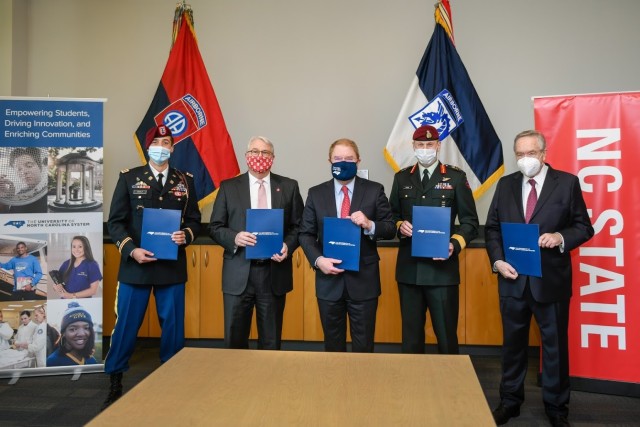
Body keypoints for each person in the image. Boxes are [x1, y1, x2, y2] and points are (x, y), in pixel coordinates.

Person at [485, 130, 594, 427]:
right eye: (519, 154)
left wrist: (561, 236)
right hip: (512, 279)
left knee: (555, 348)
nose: (525, 160)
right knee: (512, 346)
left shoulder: (567, 183)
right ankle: (509, 402)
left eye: (530, 153)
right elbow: (492, 228)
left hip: (551, 282)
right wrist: (497, 261)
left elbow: (584, 227)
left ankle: (557, 409)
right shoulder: (506, 185)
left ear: (544, 154)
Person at [102, 124, 201, 409]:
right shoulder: (130, 178)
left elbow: (193, 219)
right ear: (148, 146)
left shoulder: (185, 180)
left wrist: (187, 235)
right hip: (136, 266)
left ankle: (172, 377)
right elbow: (117, 222)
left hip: (171, 265)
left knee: (173, 327)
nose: (162, 146)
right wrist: (131, 251)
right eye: (157, 141)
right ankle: (115, 379)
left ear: (172, 147)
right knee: (126, 326)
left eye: (167, 142)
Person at [299, 138, 396, 352]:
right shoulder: (316, 193)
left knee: (363, 346)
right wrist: (318, 260)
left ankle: (362, 385)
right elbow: (305, 234)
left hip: (363, 282)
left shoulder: (374, 190)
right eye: (338, 159)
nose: (343, 162)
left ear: (358, 161)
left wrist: (370, 224)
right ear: (329, 161)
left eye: (349, 158)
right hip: (328, 281)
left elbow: (390, 228)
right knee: (333, 346)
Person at [388, 124, 479, 355]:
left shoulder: (456, 178)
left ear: (438, 146)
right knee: (410, 338)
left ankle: (451, 389)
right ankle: (413, 387)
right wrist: (400, 226)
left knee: (446, 336)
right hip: (410, 271)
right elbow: (392, 217)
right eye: (420, 145)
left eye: (430, 144)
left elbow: (470, 222)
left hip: (442, 270)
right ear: (414, 147)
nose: (425, 149)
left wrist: (455, 244)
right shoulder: (401, 178)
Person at [209, 136, 303, 350]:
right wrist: (234, 237)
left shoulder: (288, 187)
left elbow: (299, 227)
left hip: (273, 274)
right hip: (238, 273)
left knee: (271, 341)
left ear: (273, 158)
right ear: (246, 156)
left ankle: (268, 383)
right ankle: (236, 383)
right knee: (234, 339)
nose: (259, 156)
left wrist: (287, 246)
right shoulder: (229, 187)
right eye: (254, 151)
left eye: (265, 153)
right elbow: (215, 227)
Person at [47, 302, 97, 366]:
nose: (81, 334)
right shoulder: (52, 362)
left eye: (86, 328)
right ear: (63, 333)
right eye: (73, 329)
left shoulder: (92, 360)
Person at [0, 147, 48, 213]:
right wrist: (5, 200)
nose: (24, 172)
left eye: (29, 165)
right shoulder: (21, 196)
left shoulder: (49, 193)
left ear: (40, 167)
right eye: (19, 169)